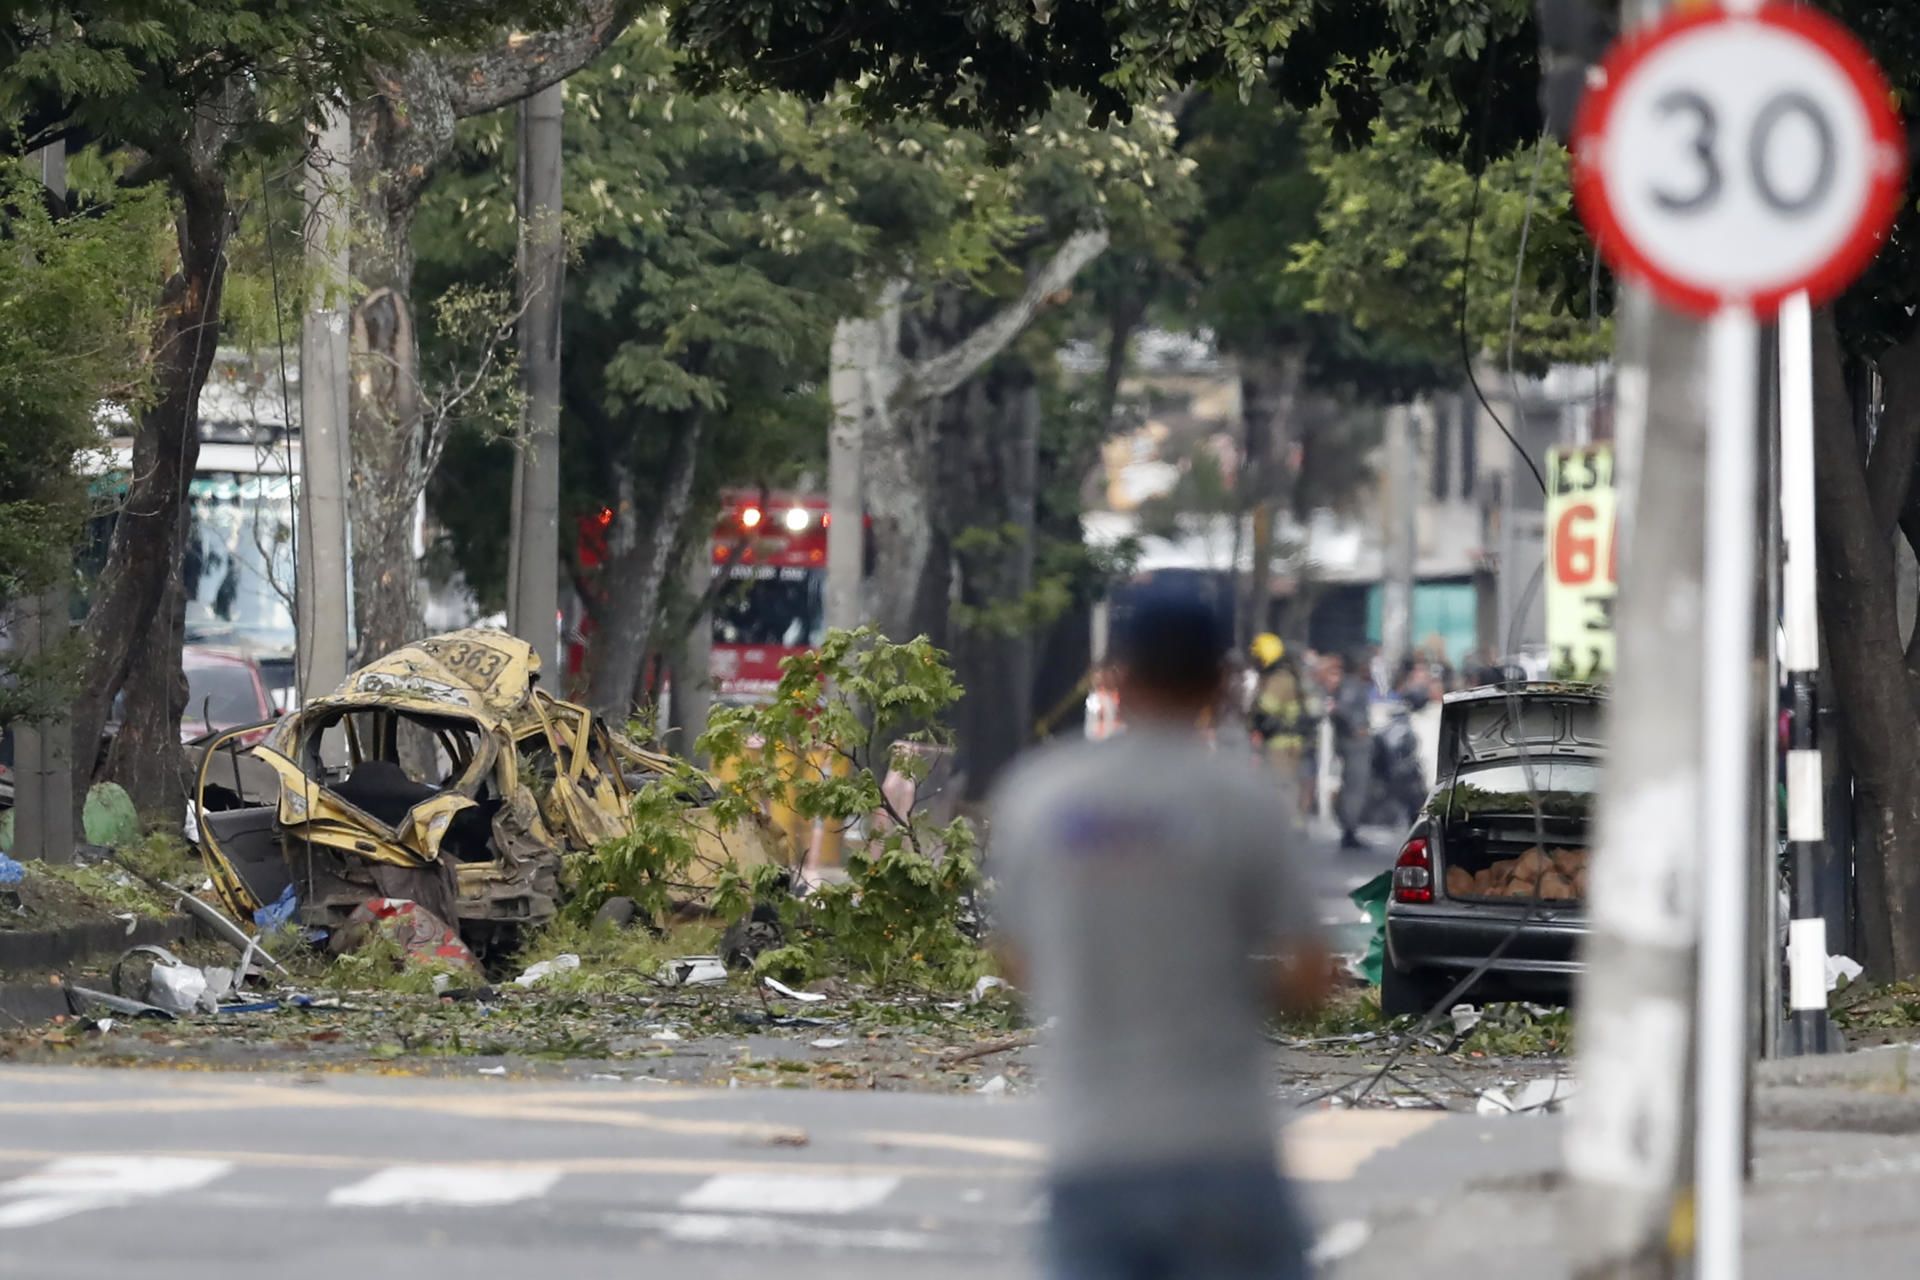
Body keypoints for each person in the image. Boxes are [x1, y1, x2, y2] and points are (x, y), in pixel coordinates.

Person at [990, 583, 1330, 1280]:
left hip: (1092, 1152)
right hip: (1225, 1150)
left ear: (1114, 677)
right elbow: (1310, 976)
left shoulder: (1039, 796)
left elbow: (1016, 960)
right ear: (1222, 682)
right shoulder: (1242, 802)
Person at [1323, 651, 1376, 850]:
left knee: (1355, 786)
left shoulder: (1353, 684)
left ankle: (1350, 827)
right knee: (1355, 787)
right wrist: (1356, 729)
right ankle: (1349, 829)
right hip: (1354, 745)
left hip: (1354, 743)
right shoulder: (1352, 685)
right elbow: (1341, 709)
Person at [1249, 632, 1307, 811]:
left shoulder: (1278, 679)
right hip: (1286, 742)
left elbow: (1265, 709)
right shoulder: (1287, 676)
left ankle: (1284, 830)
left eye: (1258, 657)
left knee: (1278, 788)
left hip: (1279, 745)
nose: (1255, 662)